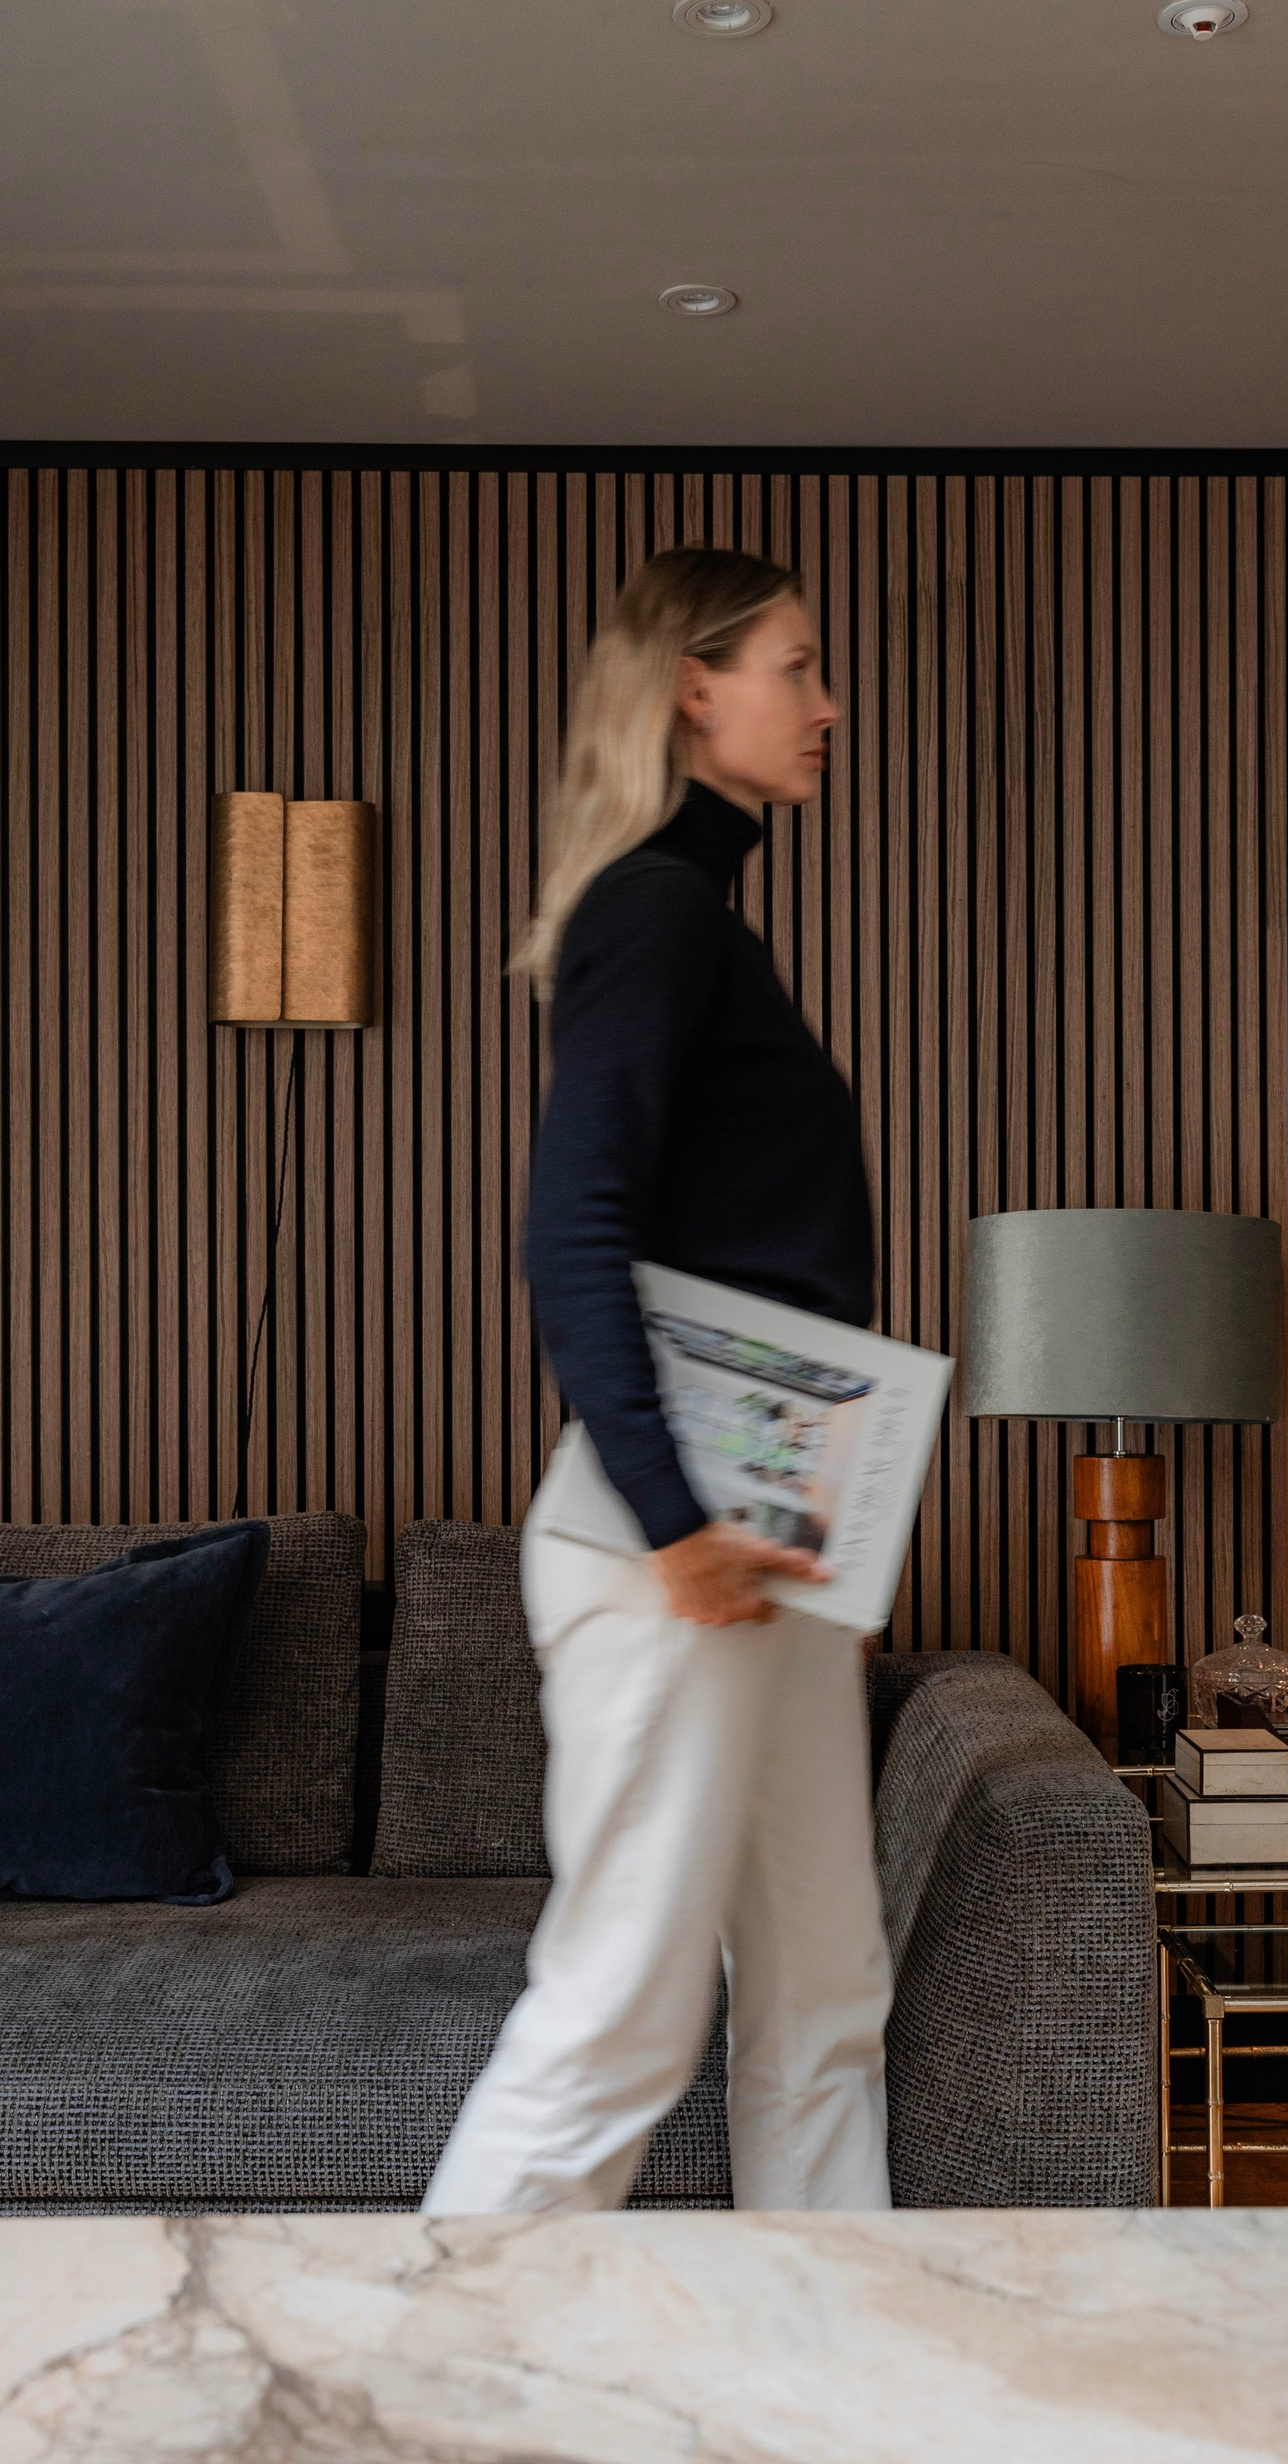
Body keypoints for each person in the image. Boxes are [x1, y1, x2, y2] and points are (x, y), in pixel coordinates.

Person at [423, 548, 892, 2216]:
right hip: (673, 1546)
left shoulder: (702, 918)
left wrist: (775, 1543)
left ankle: (823, 2353)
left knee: (825, 2001)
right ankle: (428, 2363)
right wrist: (678, 1521)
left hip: (769, 1552)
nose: (827, 704)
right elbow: (573, 1229)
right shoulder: (655, 908)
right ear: (697, 687)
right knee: (619, 2016)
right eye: (797, 665)